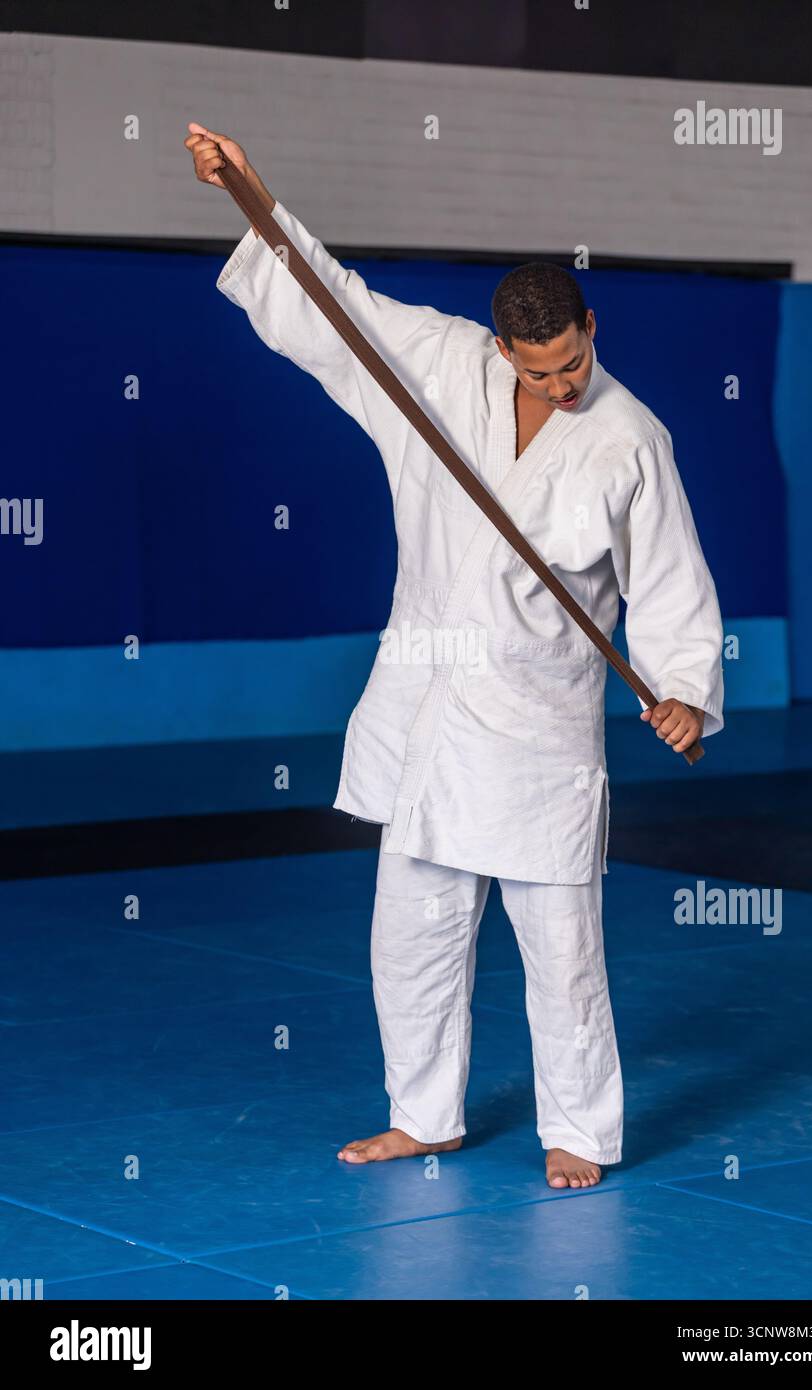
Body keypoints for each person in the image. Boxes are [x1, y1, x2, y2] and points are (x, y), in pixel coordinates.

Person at [185, 123, 724, 1189]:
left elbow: (667, 579)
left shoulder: (633, 440)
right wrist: (249, 189)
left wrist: (683, 692)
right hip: (429, 704)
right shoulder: (436, 366)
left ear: (590, 330)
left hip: (538, 723)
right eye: (539, 368)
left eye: (574, 361)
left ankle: (580, 1128)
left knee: (561, 949)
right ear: (500, 346)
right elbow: (337, 310)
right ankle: (423, 1114)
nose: (562, 383)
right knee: (413, 934)